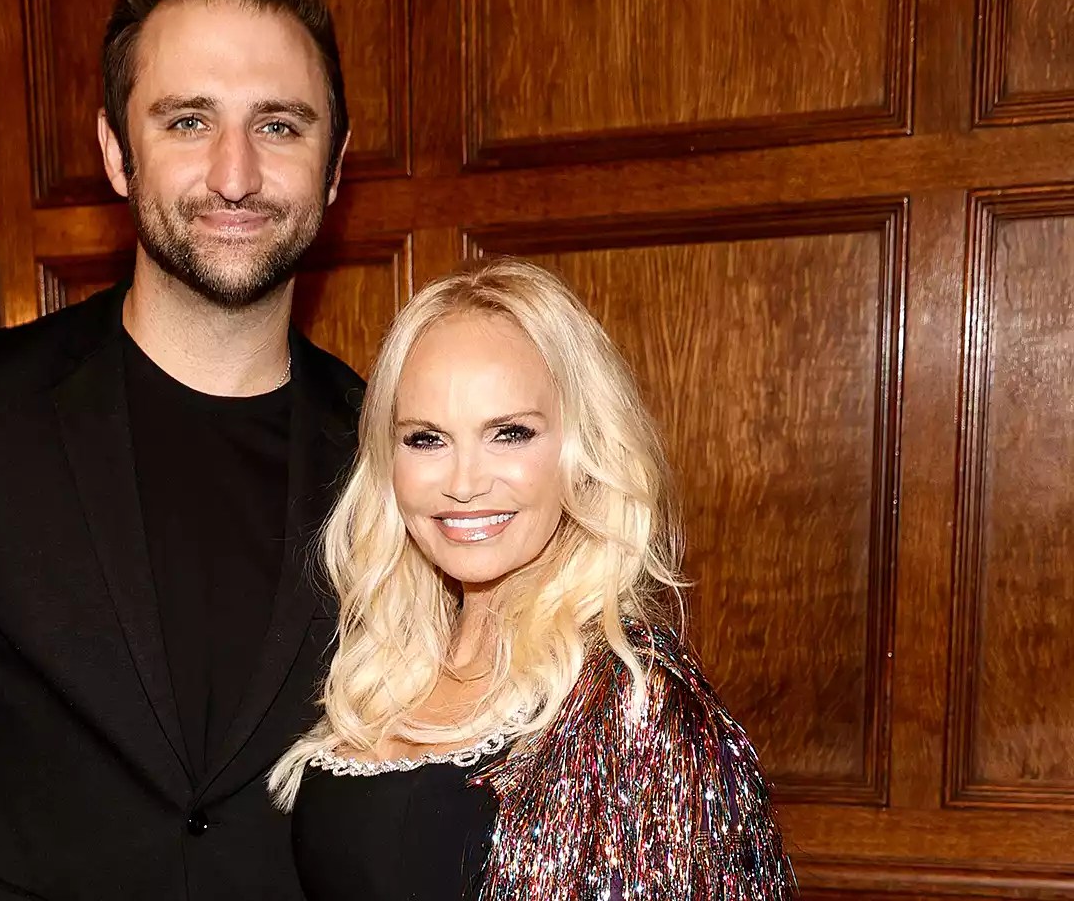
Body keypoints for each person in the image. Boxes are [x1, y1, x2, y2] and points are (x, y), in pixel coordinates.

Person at [0, 0, 361, 900]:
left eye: (280, 125)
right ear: (117, 152)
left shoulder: (393, 456)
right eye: (188, 120)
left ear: (335, 166)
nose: (236, 175)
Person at [274, 259, 796, 900]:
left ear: (583, 450)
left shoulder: (634, 707)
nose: (463, 483)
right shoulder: (378, 668)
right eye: (427, 439)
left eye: (509, 434)